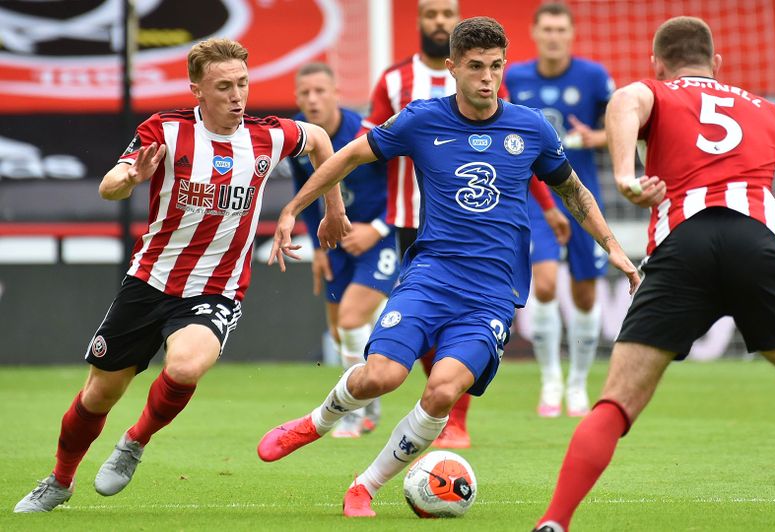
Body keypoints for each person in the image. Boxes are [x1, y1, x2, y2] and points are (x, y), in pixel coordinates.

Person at [256, 17, 639, 518]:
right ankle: (316, 422)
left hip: (492, 295)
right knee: (381, 377)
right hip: (431, 276)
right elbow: (348, 156)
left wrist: (610, 243)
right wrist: (297, 209)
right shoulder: (421, 120)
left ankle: (364, 487)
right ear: (452, 67)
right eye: (476, 67)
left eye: (496, 66)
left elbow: (572, 189)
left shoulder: (531, 128)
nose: (487, 77)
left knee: (442, 390)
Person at [533, 17, 775, 531]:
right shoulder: (767, 111)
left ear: (657, 63)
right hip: (757, 247)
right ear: (717, 64)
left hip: (683, 246)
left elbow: (625, 103)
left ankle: (555, 521)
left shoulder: (654, 91)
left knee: (616, 404)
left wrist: (623, 177)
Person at [13, 38, 341, 513]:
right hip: (149, 281)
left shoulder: (267, 136)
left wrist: (330, 209)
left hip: (216, 288)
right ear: (197, 91)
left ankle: (135, 441)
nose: (237, 96)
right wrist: (127, 180)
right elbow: (110, 185)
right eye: (224, 86)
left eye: (243, 84)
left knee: (186, 364)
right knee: (98, 395)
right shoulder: (164, 131)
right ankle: (60, 481)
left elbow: (321, 142)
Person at [363, 0, 569, 448]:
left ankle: (453, 414)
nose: (439, 21)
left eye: (446, 13)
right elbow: (368, 150)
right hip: (409, 217)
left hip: (479, 221)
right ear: (420, 23)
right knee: (420, 321)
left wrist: (548, 205)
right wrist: (364, 215)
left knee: (463, 321)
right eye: (431, 14)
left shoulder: (486, 74)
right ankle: (402, 404)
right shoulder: (394, 81)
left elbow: (511, 155)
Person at [505, 2, 616, 418]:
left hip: (582, 197)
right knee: (546, 284)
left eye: (560, 30)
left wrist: (596, 138)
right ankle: (550, 380)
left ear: (571, 35)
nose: (554, 36)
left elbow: (623, 129)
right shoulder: (514, 77)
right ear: (535, 33)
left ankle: (578, 383)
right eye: (547, 29)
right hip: (538, 198)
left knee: (586, 294)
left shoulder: (593, 77)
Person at [288, 62, 395, 438]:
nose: (313, 99)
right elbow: (306, 192)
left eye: (320, 91)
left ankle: (363, 408)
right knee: (339, 333)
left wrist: (377, 228)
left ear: (336, 93)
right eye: (305, 93)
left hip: (381, 239)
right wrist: (317, 248)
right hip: (335, 243)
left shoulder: (369, 134)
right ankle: (364, 393)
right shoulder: (301, 139)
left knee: (350, 320)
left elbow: (406, 187)